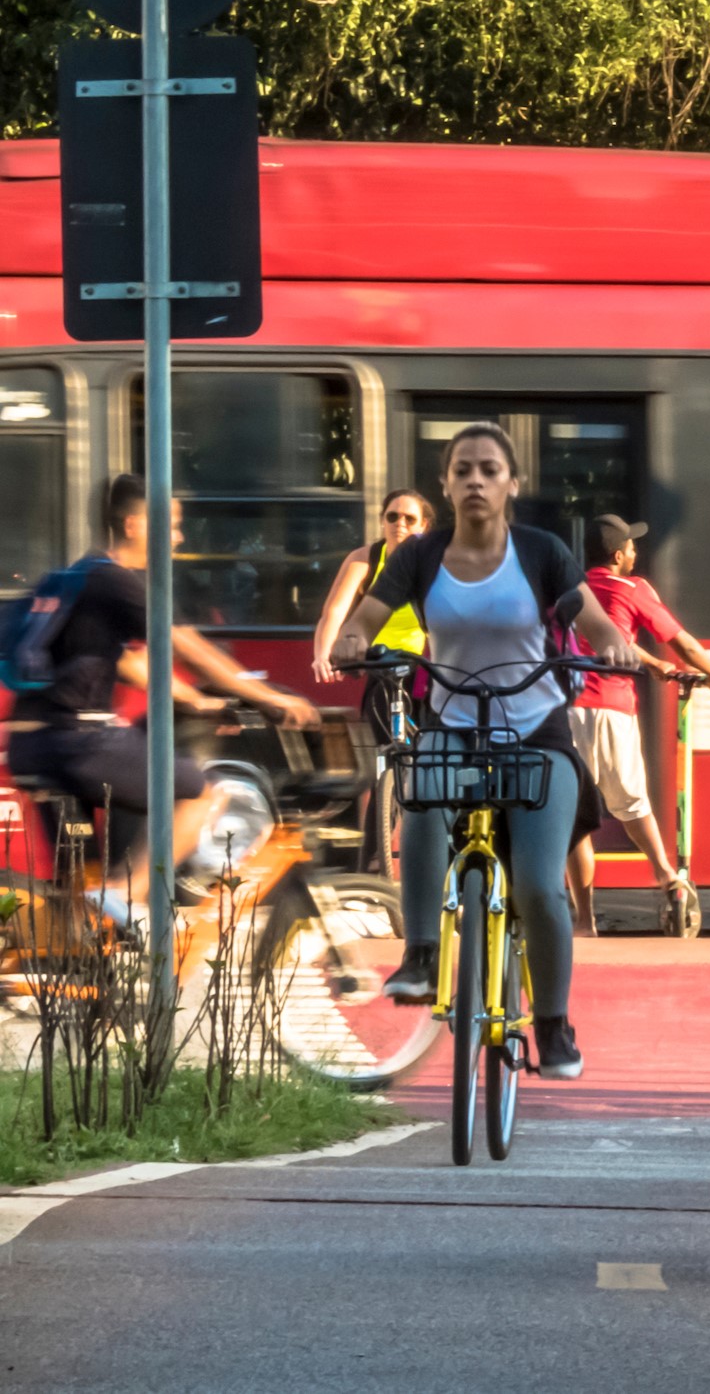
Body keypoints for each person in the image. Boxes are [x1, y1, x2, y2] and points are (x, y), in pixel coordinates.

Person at [333, 423, 635, 1081]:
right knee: (420, 805)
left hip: (536, 732)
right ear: (446, 484)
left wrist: (612, 641)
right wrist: (353, 639)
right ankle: (417, 956)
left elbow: (589, 616)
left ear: (510, 485)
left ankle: (551, 1024)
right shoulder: (420, 554)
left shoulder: (540, 551)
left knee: (535, 881)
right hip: (451, 724)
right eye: (462, 468)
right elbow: (369, 612)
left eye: (489, 469)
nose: (475, 479)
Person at [7, 474, 320, 912]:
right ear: (136, 525)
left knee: (84, 877)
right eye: (171, 525)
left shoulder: (78, 576)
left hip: (31, 744)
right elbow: (186, 646)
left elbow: (127, 663)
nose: (179, 537)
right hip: (77, 741)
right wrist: (271, 697)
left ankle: (89, 927)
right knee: (202, 792)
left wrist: (194, 699)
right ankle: (123, 897)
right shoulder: (115, 580)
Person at [564, 514, 710, 935]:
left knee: (576, 818)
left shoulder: (572, 588)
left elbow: (606, 637)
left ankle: (585, 922)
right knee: (632, 804)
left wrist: (655, 664)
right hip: (610, 706)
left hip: (564, 710)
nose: (637, 554)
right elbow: (684, 642)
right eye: (633, 548)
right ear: (619, 555)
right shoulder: (632, 588)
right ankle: (665, 875)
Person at [309, 489, 435, 694]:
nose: (400, 524)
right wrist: (323, 655)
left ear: (424, 525)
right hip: (378, 662)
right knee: (379, 712)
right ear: (382, 521)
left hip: (421, 663)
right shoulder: (364, 559)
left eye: (410, 519)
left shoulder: (432, 562)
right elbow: (334, 612)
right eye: (392, 516)